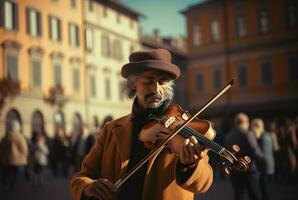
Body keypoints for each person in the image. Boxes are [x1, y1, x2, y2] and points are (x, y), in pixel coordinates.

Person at [71, 48, 213, 200]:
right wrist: (88, 187)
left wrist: (190, 165)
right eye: (148, 81)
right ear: (133, 84)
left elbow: (204, 182)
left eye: (162, 82)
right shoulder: (110, 130)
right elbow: (82, 176)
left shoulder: (184, 128)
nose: (156, 89)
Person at [225, 113, 264, 200]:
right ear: (246, 122)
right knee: (254, 195)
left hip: (235, 170)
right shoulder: (248, 134)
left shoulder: (228, 136)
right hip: (249, 170)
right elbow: (255, 151)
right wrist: (262, 158)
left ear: (235, 123)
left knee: (239, 195)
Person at [251, 118, 274, 200]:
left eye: (253, 127)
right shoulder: (267, 135)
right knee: (264, 189)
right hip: (267, 166)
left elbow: (261, 154)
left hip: (265, 167)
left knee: (265, 190)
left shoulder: (263, 137)